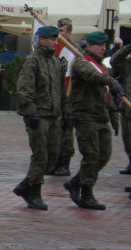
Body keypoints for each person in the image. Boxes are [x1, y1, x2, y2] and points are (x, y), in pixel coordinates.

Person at [65, 31, 123, 210]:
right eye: (99, 45)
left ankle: (76, 182)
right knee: (91, 155)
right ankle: (87, 193)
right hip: (85, 116)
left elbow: (105, 93)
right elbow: (93, 78)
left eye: (105, 46)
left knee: (104, 156)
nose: (103, 48)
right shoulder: (81, 63)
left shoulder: (100, 66)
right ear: (89, 45)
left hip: (100, 117)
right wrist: (112, 81)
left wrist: (113, 114)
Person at [14, 26, 66, 210]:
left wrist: (64, 111)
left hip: (53, 115)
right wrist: (31, 111)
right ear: (42, 39)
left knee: (53, 155)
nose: (55, 42)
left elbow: (60, 91)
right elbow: (24, 89)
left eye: (56, 39)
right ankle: (34, 192)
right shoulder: (32, 61)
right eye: (52, 39)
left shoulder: (55, 62)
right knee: (41, 155)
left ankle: (25, 185)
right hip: (38, 115)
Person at [47, 18, 76, 176]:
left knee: (66, 131)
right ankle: (55, 162)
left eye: (63, 31)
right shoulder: (54, 48)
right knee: (54, 132)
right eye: (58, 30)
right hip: (54, 96)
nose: (60, 33)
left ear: (69, 33)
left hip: (68, 97)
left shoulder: (74, 50)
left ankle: (65, 163)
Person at [108, 39, 131, 174]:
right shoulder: (128, 65)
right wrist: (128, 48)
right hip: (127, 108)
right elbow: (114, 60)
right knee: (127, 138)